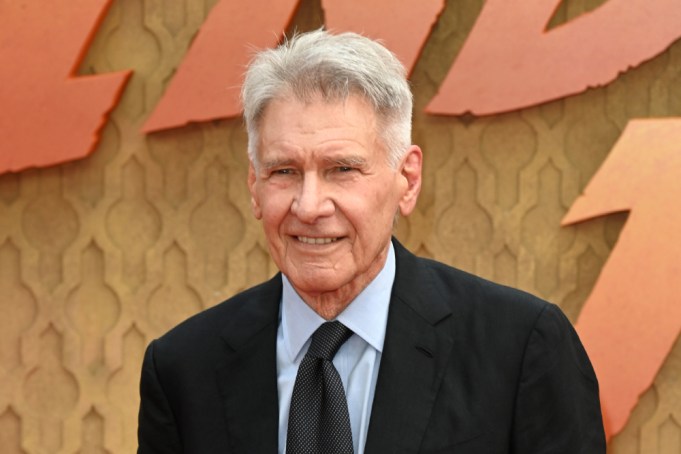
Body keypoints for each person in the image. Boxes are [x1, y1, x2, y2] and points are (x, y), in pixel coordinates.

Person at [137, 29, 606, 453]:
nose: (309, 206)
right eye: (284, 171)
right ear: (254, 187)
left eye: (342, 169)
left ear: (407, 178)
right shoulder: (183, 368)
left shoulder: (521, 347)